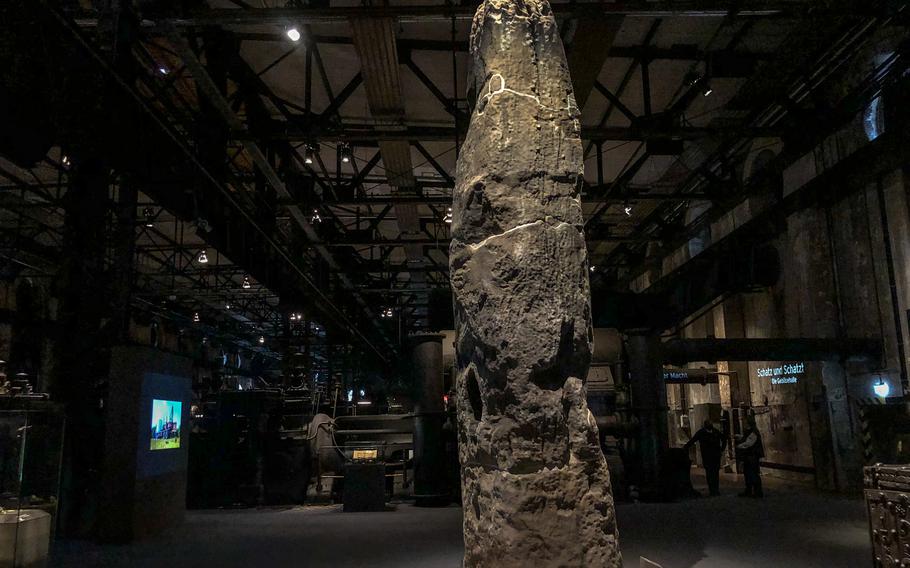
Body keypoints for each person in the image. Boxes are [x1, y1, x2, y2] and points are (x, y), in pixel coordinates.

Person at [684, 419, 726, 496]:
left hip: (714, 455)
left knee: (714, 473)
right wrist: (686, 447)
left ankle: (715, 490)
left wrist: (721, 449)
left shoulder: (712, 432)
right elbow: (693, 440)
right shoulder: (703, 432)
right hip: (708, 455)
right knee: (710, 473)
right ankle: (713, 490)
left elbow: (724, 439)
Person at [736, 416, 765, 498]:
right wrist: (741, 437)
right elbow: (747, 439)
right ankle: (749, 490)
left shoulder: (754, 432)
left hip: (752, 456)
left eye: (745, 422)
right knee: (747, 474)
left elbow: (749, 443)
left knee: (753, 474)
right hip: (748, 456)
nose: (744, 424)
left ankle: (757, 492)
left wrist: (739, 446)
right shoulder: (749, 431)